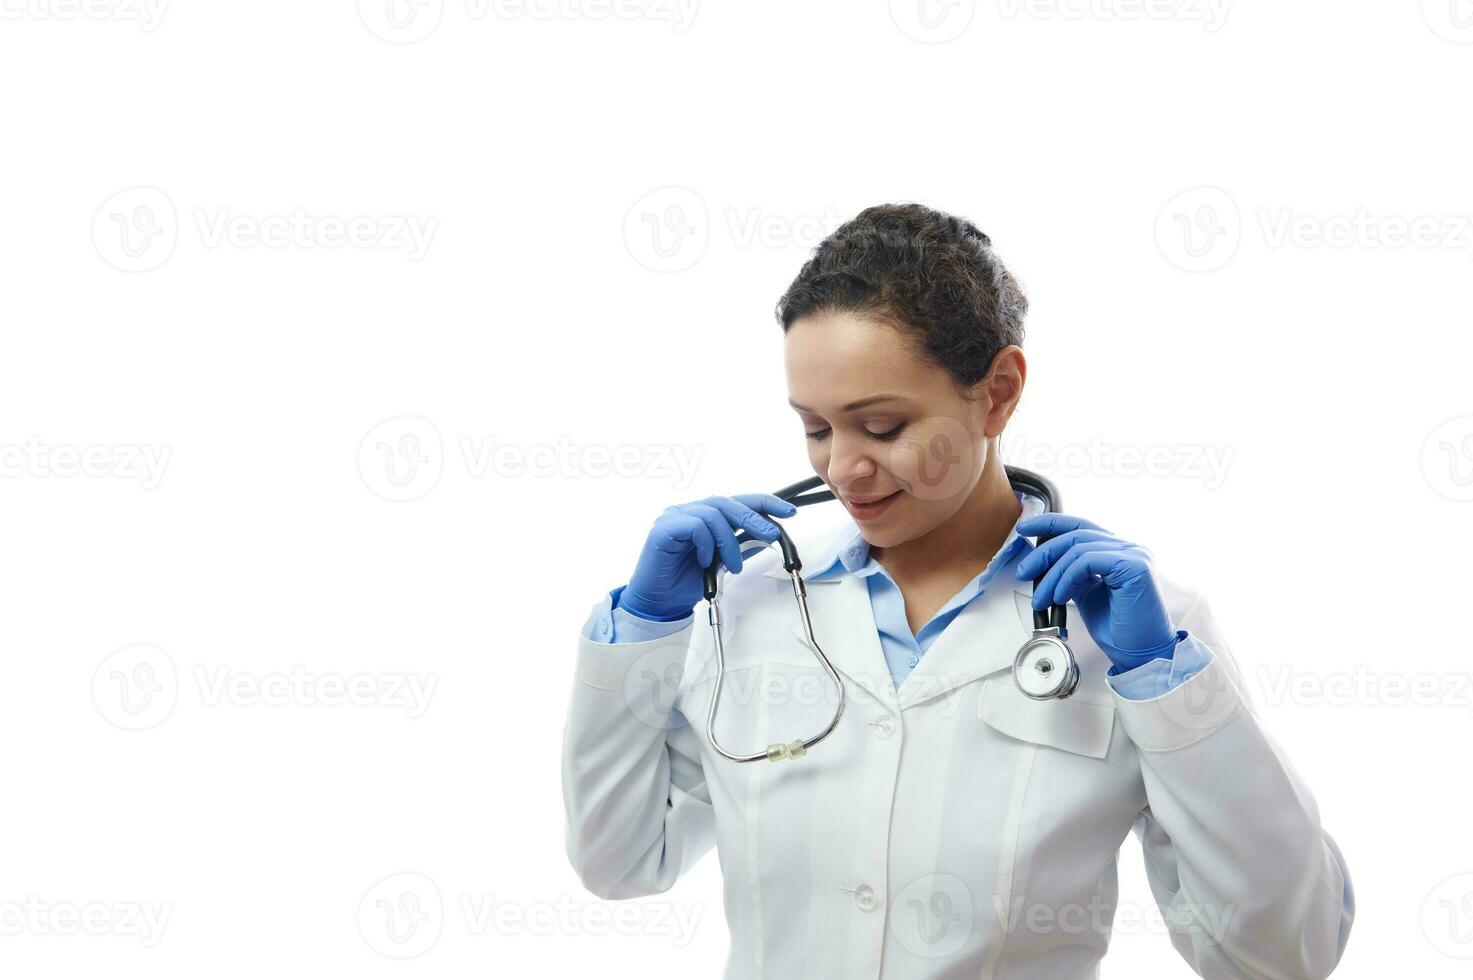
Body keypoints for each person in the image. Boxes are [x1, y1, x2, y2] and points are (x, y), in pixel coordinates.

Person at [560, 203, 1354, 979]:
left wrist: (1162, 683)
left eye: (881, 428)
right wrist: (643, 626)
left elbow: (1284, 956)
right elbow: (619, 860)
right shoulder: (752, 608)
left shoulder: (1136, 634)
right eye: (815, 426)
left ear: (998, 391)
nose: (841, 468)